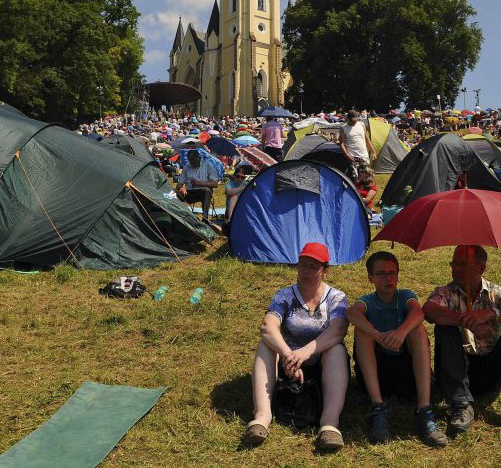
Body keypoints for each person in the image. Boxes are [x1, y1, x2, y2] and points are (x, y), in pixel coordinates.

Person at [423, 245, 501, 442]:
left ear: (481, 269)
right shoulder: (445, 293)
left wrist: (492, 314)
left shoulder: (496, 293)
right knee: (444, 329)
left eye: (462, 265)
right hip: (458, 368)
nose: (455, 268)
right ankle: (461, 405)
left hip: (491, 369)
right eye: (453, 263)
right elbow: (429, 311)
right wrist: (466, 321)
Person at [242, 242, 349, 452]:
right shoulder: (285, 295)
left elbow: (338, 330)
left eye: (313, 267)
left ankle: (329, 424)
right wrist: (288, 355)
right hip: (288, 362)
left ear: (325, 271)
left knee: (336, 348)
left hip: (322, 362)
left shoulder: (337, 297)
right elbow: (268, 326)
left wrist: (305, 352)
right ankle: (262, 417)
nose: (306, 271)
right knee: (266, 344)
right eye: (303, 265)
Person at [346, 252, 447, 447]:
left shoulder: (405, 296)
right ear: (370, 278)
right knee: (362, 331)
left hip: (407, 374)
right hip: (379, 375)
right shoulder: (367, 301)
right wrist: (377, 335)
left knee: (417, 329)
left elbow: (419, 312)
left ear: (398, 276)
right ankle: (377, 407)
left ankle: (424, 410)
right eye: (381, 274)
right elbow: (352, 313)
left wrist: (401, 332)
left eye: (392, 273)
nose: (388, 278)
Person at [176, 149, 220, 222]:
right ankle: (177, 216)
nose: (192, 164)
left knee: (206, 191)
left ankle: (205, 218)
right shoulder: (187, 167)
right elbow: (179, 185)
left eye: (194, 162)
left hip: (202, 192)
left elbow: (215, 184)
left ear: (199, 158)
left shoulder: (208, 165)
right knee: (173, 193)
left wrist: (199, 183)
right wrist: (181, 188)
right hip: (189, 192)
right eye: (191, 161)